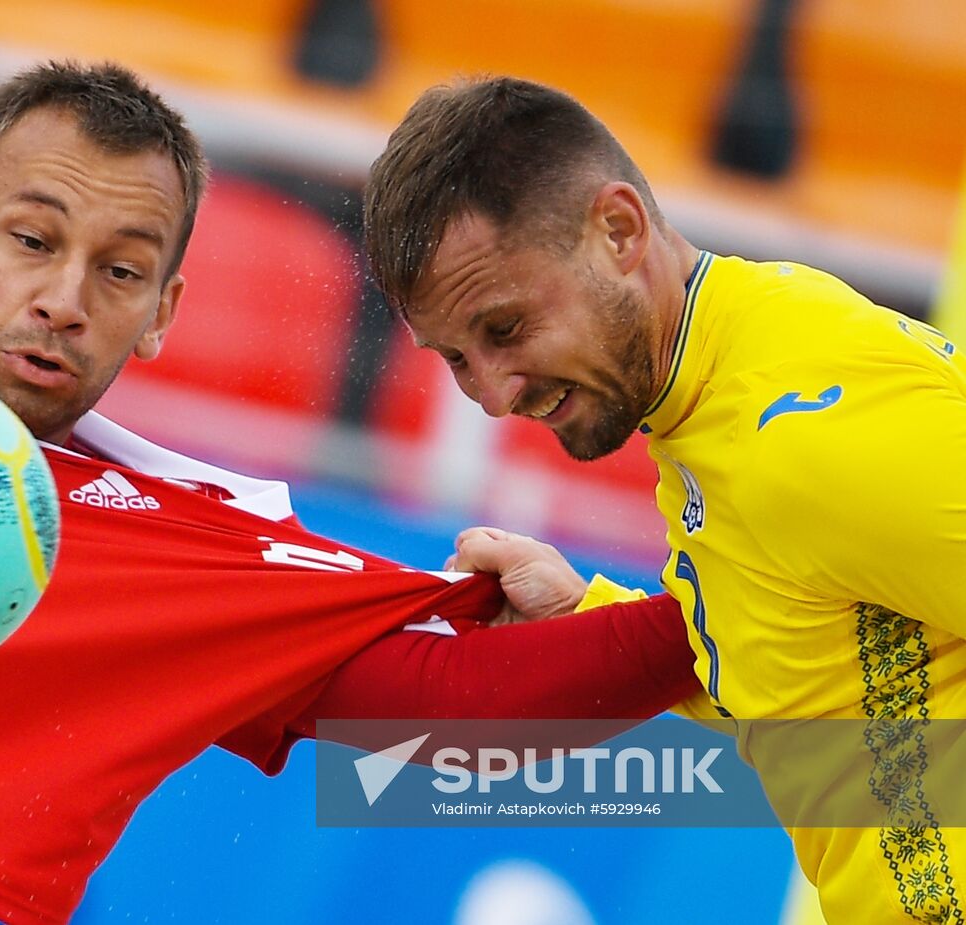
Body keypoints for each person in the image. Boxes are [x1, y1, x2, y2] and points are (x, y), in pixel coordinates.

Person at [0, 62, 700, 925]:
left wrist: (711, 613)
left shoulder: (196, 540)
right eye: (29, 238)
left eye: (118, 270)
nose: (63, 298)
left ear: (161, 313)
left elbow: (453, 701)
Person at [362, 75, 966, 925]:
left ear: (618, 230)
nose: (493, 396)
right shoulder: (718, 382)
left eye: (505, 329)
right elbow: (824, 662)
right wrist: (589, 611)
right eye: (456, 358)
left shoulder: (799, 427)